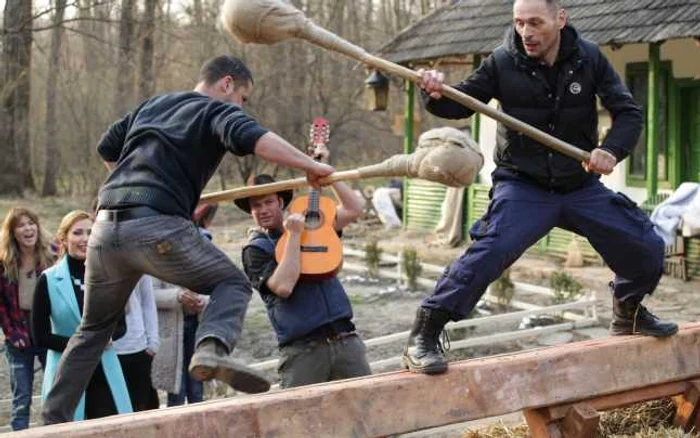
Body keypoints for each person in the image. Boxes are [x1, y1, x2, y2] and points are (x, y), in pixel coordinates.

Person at [41, 55, 334, 424]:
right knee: (232, 283)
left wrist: (128, 186)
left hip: (105, 228)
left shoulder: (154, 105)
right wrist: (312, 167)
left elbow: (106, 146)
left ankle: (53, 416)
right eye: (243, 97)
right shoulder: (215, 111)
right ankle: (211, 349)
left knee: (93, 330)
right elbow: (256, 139)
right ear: (227, 84)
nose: (241, 106)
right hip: (156, 227)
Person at [403, 0, 678, 375]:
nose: (526, 32)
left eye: (535, 22)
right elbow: (459, 104)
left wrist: (611, 150)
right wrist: (434, 92)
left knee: (646, 247)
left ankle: (628, 311)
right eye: (519, 23)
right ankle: (424, 333)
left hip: (579, 185)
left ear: (560, 19)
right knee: (492, 249)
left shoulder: (589, 58)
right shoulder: (502, 61)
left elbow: (629, 112)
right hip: (523, 184)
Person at [240, 173, 372, 388]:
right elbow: (283, 286)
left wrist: (328, 175)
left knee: (365, 414)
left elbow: (355, 209)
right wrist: (293, 237)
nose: (263, 210)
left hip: (346, 341)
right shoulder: (255, 250)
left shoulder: (315, 229)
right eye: (256, 205)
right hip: (303, 352)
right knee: (299, 418)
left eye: (268, 202)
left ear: (280, 202)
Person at [32, 211, 132, 420]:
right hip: (66, 372)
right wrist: (82, 346)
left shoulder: (109, 276)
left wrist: (106, 339)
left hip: (105, 369)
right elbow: (39, 336)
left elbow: (121, 325)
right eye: (77, 233)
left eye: (90, 232)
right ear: (64, 239)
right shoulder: (48, 280)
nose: (85, 239)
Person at [0, 207, 52, 430]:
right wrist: (12, 334)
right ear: (12, 232)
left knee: (55, 395)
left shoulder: (53, 256)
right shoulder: (4, 264)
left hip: (49, 333)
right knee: (22, 399)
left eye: (31, 223)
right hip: (18, 336)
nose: (27, 228)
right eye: (21, 225)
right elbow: (1, 305)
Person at [165, 204, 217, 407]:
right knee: (175, 392)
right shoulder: (159, 248)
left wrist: (201, 300)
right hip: (172, 327)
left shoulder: (203, 243)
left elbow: (213, 284)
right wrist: (178, 296)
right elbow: (150, 294)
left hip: (197, 323)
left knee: (197, 388)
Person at [113, 275, 160, 411]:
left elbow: (148, 302)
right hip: (109, 351)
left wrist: (153, 342)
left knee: (144, 409)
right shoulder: (96, 260)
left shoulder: (137, 258)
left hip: (139, 348)